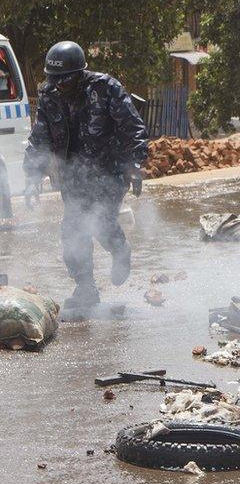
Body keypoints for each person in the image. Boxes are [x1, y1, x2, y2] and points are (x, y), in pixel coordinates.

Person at [23, 41, 148, 309]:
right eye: (54, 80)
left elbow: (132, 127)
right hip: (72, 175)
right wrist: (32, 177)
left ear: (79, 75)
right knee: (73, 230)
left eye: (64, 81)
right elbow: (40, 137)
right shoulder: (50, 95)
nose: (58, 86)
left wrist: (134, 165)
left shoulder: (105, 88)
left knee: (101, 222)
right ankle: (85, 288)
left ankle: (119, 251)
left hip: (109, 171)